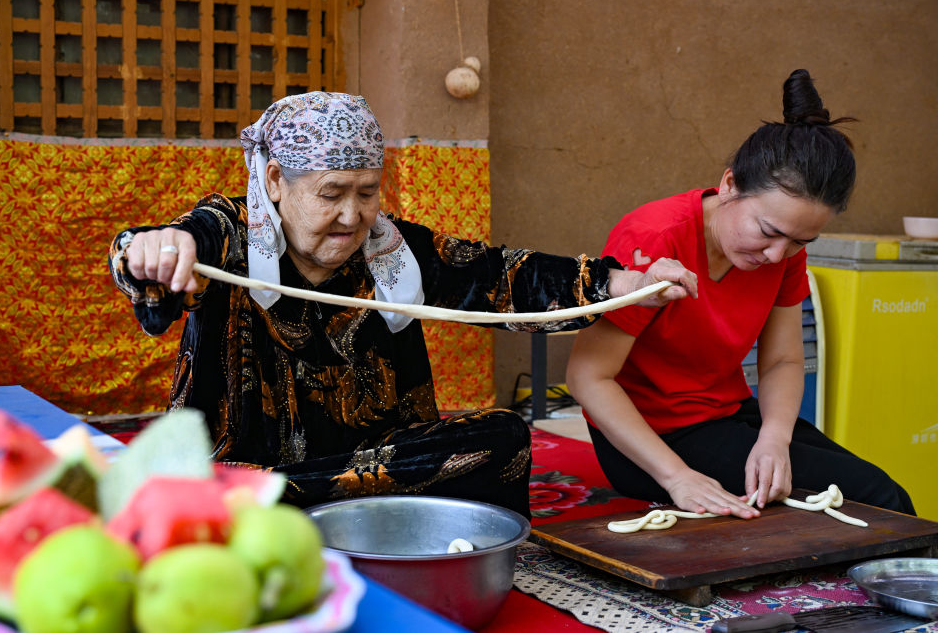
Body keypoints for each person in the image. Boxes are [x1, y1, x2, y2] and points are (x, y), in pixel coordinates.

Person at [109, 91, 697, 518]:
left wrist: (624, 282)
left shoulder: (394, 250)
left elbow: (501, 276)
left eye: (367, 193)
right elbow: (157, 249)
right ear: (272, 181)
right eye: (331, 195)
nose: (352, 216)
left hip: (374, 459)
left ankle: (320, 511)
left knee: (503, 437)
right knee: (222, 487)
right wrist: (158, 249)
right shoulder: (227, 231)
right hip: (247, 466)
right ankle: (303, 507)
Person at [567, 69, 915, 520]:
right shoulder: (655, 237)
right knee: (881, 502)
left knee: (882, 496)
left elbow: (783, 360)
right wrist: (677, 477)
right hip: (649, 438)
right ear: (729, 184)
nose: (777, 254)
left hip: (726, 413)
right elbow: (588, 377)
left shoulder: (784, 249)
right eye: (768, 232)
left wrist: (774, 440)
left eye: (798, 242)